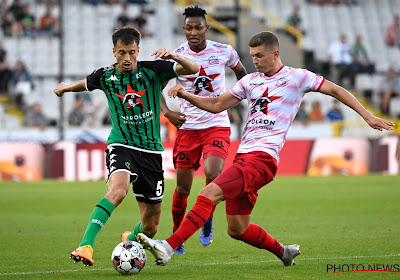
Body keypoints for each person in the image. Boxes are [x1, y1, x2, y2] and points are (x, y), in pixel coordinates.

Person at [135, 31, 394, 267]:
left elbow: (336, 90)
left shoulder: (297, 77)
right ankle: (284, 252)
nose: (255, 60)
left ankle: (168, 246)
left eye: (260, 55)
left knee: (207, 193)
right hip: (244, 158)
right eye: (252, 56)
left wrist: (367, 116)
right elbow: (216, 105)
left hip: (263, 158)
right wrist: (186, 96)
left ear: (275, 54)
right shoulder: (250, 82)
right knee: (237, 228)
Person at [53, 26, 199, 267]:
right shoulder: (106, 77)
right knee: (118, 191)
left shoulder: (153, 70)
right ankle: (86, 245)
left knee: (150, 227)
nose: (128, 58)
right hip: (121, 145)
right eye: (122, 53)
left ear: (138, 50)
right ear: (114, 52)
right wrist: (65, 88)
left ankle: (129, 241)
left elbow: (193, 68)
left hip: (151, 152)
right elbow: (85, 83)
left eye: (132, 52)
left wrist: (174, 56)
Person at [140, 5, 247, 255]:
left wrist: (235, 98)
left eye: (198, 27)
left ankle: (206, 217)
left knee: (213, 173)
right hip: (188, 128)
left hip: (217, 123)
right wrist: (166, 112)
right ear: (184, 29)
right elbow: (154, 87)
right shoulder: (176, 55)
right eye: (188, 27)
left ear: (207, 28)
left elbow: (242, 74)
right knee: (183, 189)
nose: (193, 32)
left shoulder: (224, 51)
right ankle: (179, 234)